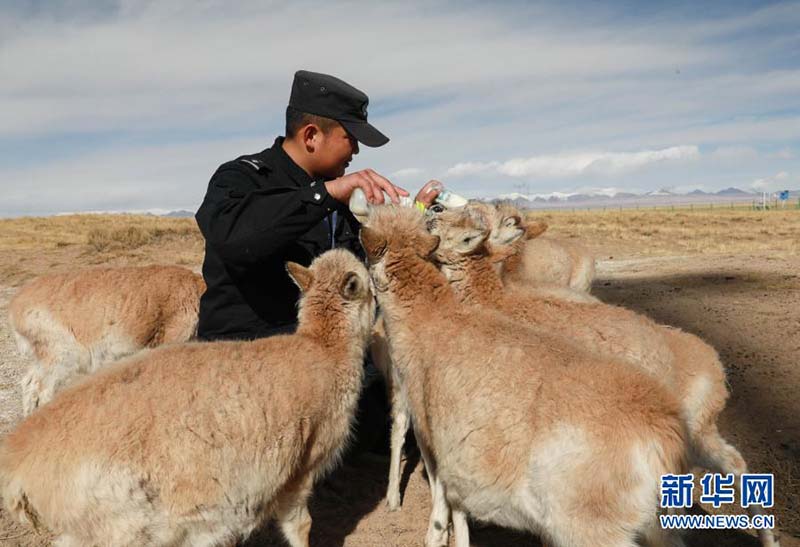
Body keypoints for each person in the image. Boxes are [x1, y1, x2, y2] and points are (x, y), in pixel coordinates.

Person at [195, 70, 440, 341]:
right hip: (243, 357)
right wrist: (324, 195)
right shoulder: (241, 177)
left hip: (324, 355)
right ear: (311, 135)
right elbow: (232, 237)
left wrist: (416, 214)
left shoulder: (340, 197)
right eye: (350, 137)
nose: (356, 150)